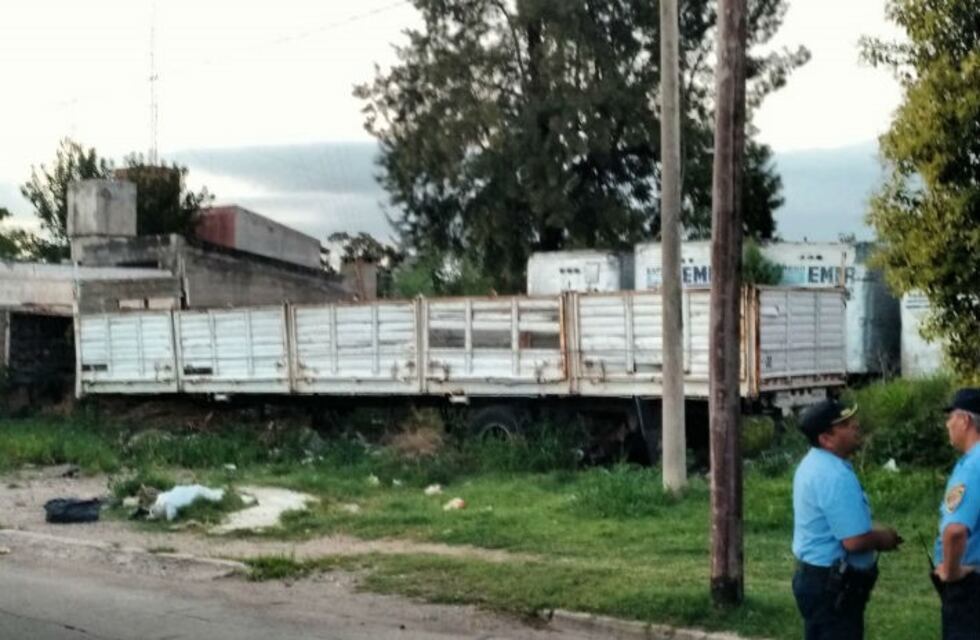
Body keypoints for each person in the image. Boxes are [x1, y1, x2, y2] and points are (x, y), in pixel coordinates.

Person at [792, 399, 902, 639]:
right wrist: (884, 538)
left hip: (817, 578)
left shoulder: (814, 463)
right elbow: (854, 541)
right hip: (832, 585)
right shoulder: (833, 475)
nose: (855, 426)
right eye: (845, 424)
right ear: (826, 439)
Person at [934, 388, 980, 639]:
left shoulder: (972, 466)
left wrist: (951, 574)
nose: (947, 424)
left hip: (971, 586)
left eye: (950, 417)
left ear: (965, 420)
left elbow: (955, 531)